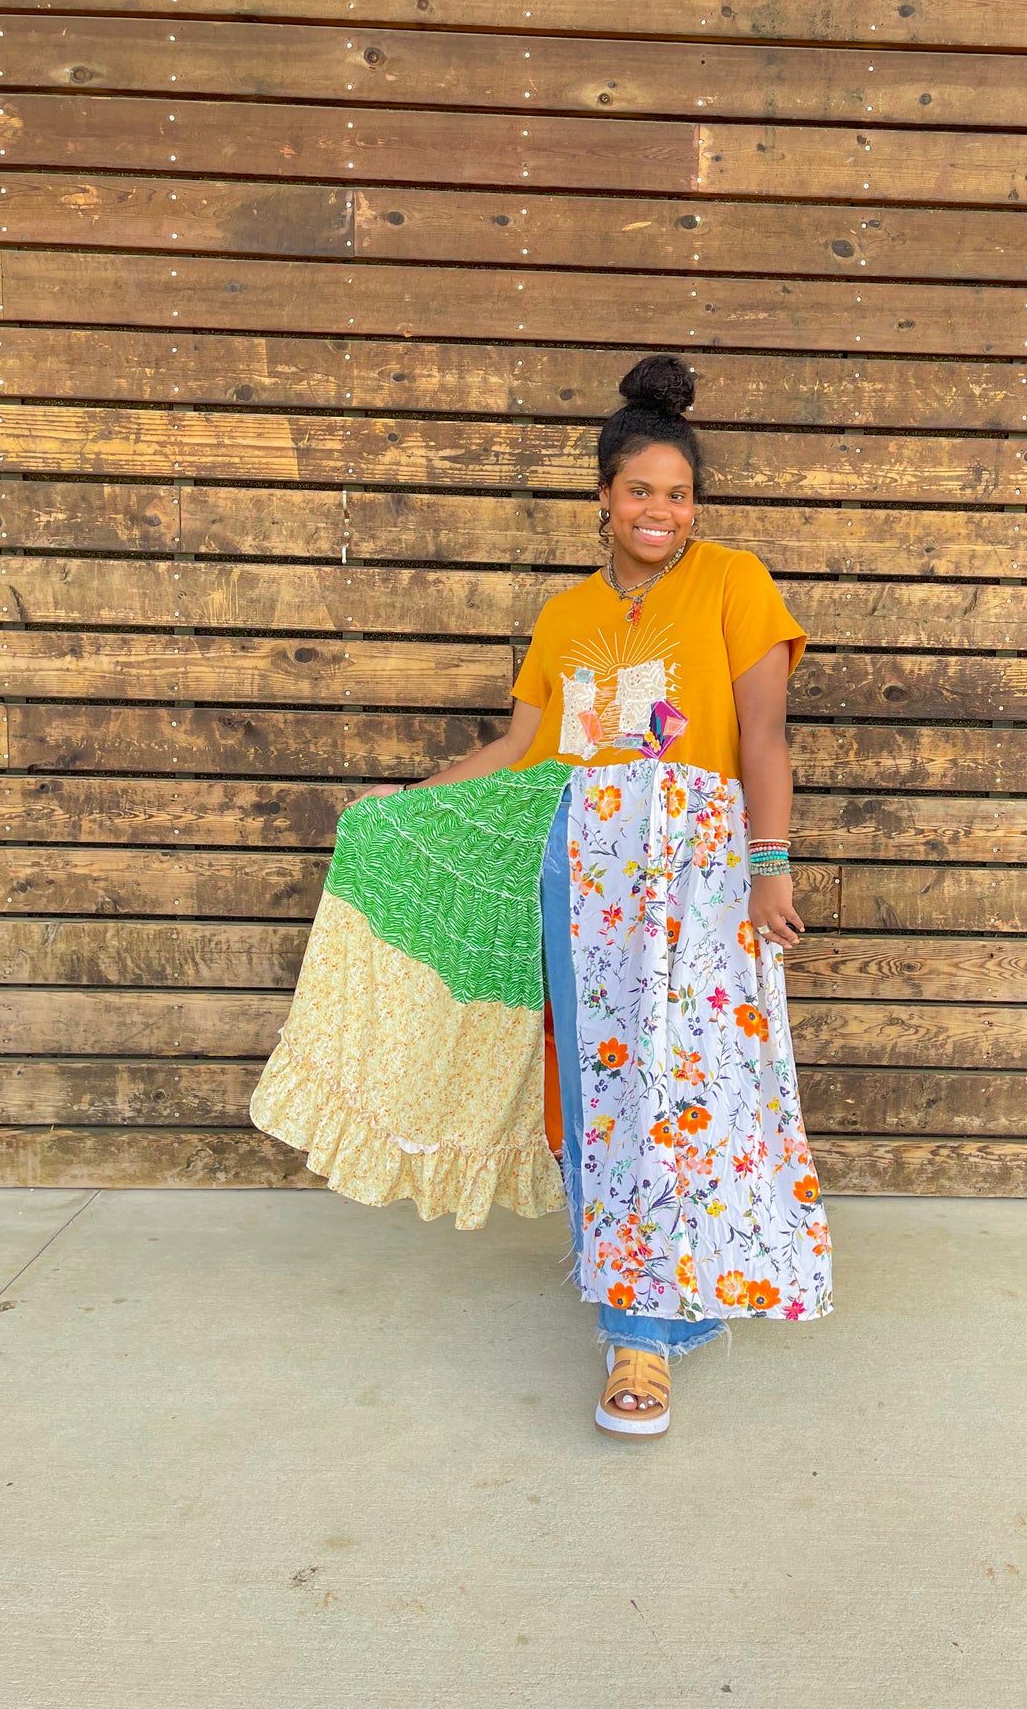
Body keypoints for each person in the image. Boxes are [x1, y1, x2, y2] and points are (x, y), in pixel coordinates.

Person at [250, 354, 833, 1438]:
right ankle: (633, 1305)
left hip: (692, 870)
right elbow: (521, 751)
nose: (660, 510)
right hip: (580, 869)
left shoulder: (733, 581)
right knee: (594, 1090)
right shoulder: (564, 615)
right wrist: (408, 802)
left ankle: (648, 1328)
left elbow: (762, 737)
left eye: (678, 493)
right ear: (602, 497)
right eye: (640, 490)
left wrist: (768, 863)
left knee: (679, 1087)